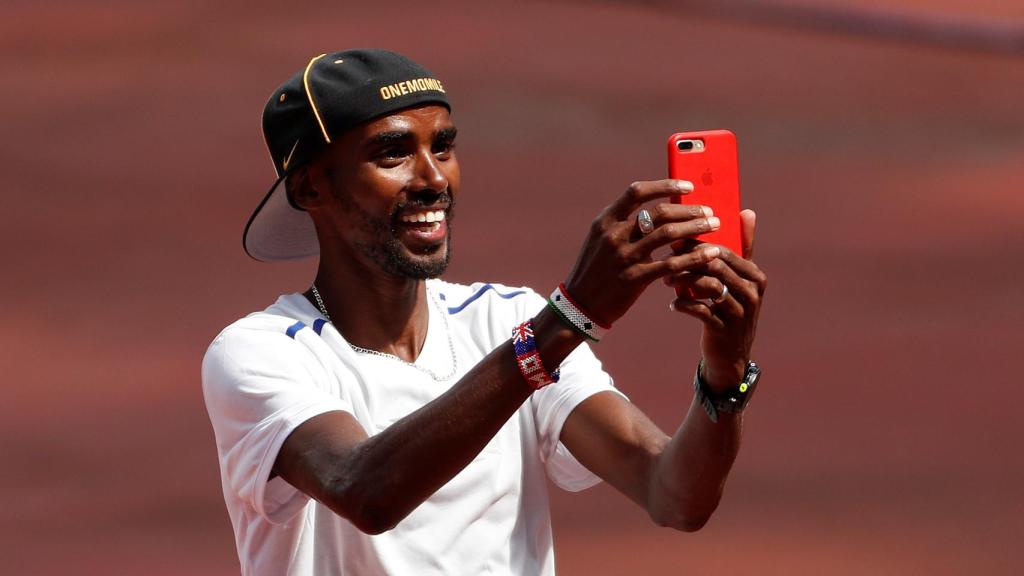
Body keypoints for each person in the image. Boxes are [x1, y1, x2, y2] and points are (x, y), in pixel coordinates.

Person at [202, 48, 767, 575]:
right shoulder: (264, 351)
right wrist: (569, 317)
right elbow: (363, 491)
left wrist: (724, 376)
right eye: (394, 153)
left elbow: (674, 495)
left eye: (443, 147)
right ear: (308, 189)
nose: (432, 179)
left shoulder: (505, 320)